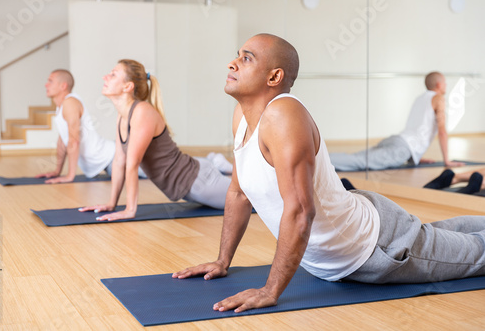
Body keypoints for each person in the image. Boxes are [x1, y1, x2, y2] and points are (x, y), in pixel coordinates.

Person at [172, 34, 485, 313]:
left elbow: (300, 211)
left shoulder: (283, 114)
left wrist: (270, 291)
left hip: (377, 248)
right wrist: (222, 261)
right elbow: (238, 193)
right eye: (238, 55)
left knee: (474, 253)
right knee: (447, 234)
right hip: (355, 232)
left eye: (246, 58)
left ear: (274, 76)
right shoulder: (242, 114)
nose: (232, 63)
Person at [79, 59, 232, 221]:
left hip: (200, 182)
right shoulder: (122, 116)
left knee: (253, 199)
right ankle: (217, 162)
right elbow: (119, 161)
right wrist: (112, 203)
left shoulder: (142, 112)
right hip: (189, 186)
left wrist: (130, 210)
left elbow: (132, 164)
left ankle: (222, 164)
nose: (105, 77)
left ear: (128, 86)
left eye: (113, 74)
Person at [329, 72, 464, 171]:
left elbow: (417, 128)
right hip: (402, 147)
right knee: (358, 162)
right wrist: (446, 160)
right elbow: (442, 131)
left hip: (397, 141)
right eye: (445, 83)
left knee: (356, 157)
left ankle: (321, 158)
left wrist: (414, 157)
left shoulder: (420, 98)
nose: (446, 85)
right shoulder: (438, 98)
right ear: (439, 84)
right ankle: (317, 161)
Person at [36, 69, 116, 183]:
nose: (46, 84)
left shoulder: (70, 103)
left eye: (50, 81)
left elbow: (74, 140)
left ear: (63, 86)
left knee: (149, 173)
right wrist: (57, 171)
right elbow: (63, 140)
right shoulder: (61, 106)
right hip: (107, 161)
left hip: (115, 157)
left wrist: (70, 176)